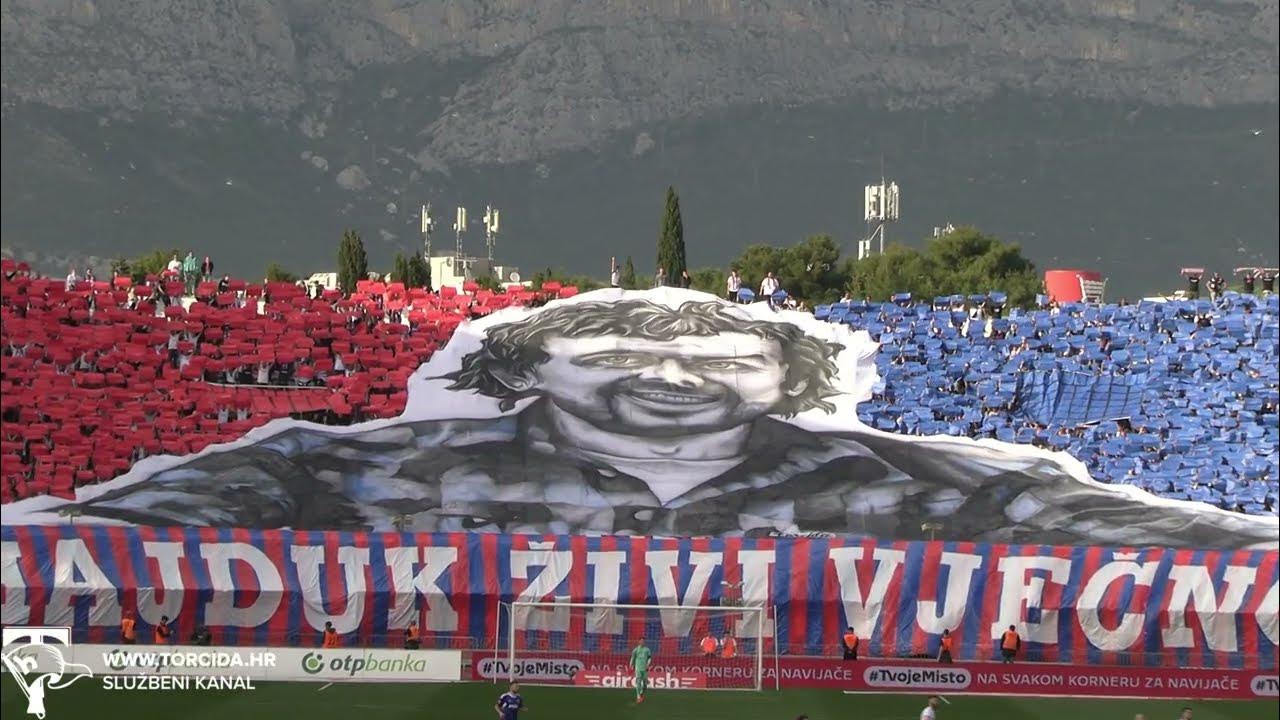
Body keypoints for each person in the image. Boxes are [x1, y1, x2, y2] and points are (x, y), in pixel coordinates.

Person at [16, 294, 1276, 550]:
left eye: (724, 352)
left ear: (776, 375)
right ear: (533, 374)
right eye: (612, 351)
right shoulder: (331, 468)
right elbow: (128, 523)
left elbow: (1117, 520)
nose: (669, 375)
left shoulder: (933, 482)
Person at [629, 638, 652, 704]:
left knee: (645, 684)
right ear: (639, 642)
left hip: (645, 669)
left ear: (644, 642)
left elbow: (649, 658)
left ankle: (641, 693)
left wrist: (648, 664)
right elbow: (632, 658)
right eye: (641, 641)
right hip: (638, 668)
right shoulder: (635, 650)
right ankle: (638, 697)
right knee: (638, 681)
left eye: (643, 641)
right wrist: (631, 665)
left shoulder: (647, 650)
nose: (642, 642)